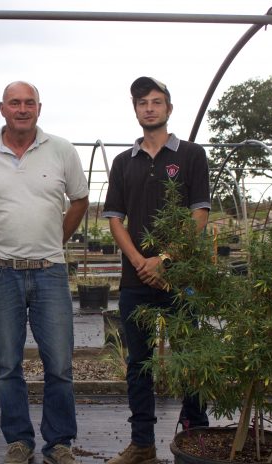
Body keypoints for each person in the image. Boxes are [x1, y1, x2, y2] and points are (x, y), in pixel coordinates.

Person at [0, 81, 89, 464]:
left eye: (29, 102)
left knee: (60, 364)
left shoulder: (61, 150)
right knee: (7, 364)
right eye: (15, 102)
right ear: (2, 109)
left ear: (39, 108)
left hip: (50, 272)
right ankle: (19, 440)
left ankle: (59, 442)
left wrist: (58, 238)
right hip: (2, 274)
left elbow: (80, 200)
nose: (22, 108)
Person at [102, 77, 211, 464]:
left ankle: (197, 435)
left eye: (157, 101)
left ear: (169, 108)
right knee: (138, 363)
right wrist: (139, 262)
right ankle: (142, 444)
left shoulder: (193, 156)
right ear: (135, 110)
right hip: (135, 281)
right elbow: (115, 219)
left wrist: (163, 260)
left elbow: (198, 215)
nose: (149, 107)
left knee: (190, 356)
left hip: (181, 279)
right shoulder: (122, 162)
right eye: (143, 102)